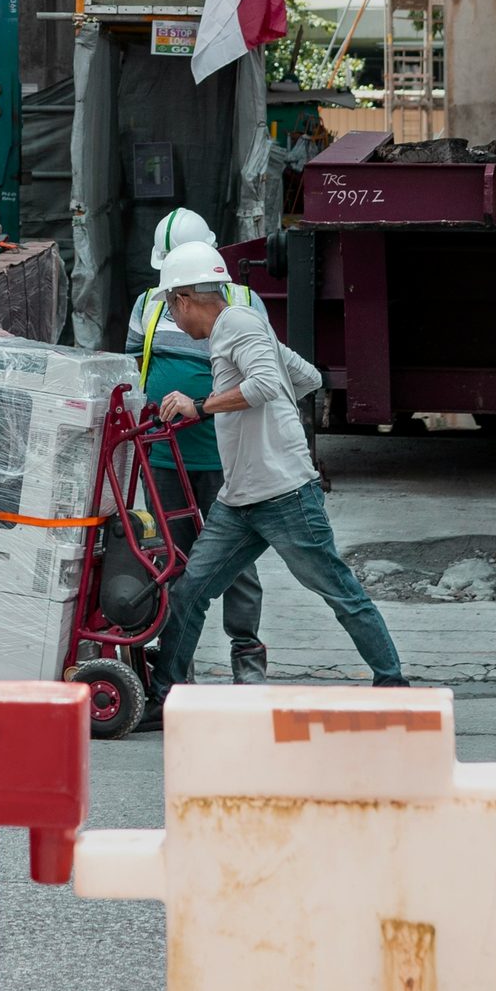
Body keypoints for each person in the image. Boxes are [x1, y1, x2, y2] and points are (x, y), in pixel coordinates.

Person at [142, 239, 406, 717]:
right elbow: (307, 378)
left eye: (172, 312)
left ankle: (394, 683)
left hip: (285, 494)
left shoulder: (237, 325)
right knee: (190, 591)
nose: (176, 323)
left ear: (183, 298)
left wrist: (200, 406)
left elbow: (264, 385)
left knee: (339, 591)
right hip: (240, 496)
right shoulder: (249, 325)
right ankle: (163, 695)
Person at [127, 206, 268, 682]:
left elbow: (262, 377)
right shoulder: (147, 304)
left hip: (228, 456)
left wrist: (201, 403)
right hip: (165, 457)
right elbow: (132, 372)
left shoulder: (244, 302)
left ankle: (246, 656)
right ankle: (174, 668)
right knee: (171, 563)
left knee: (237, 559)